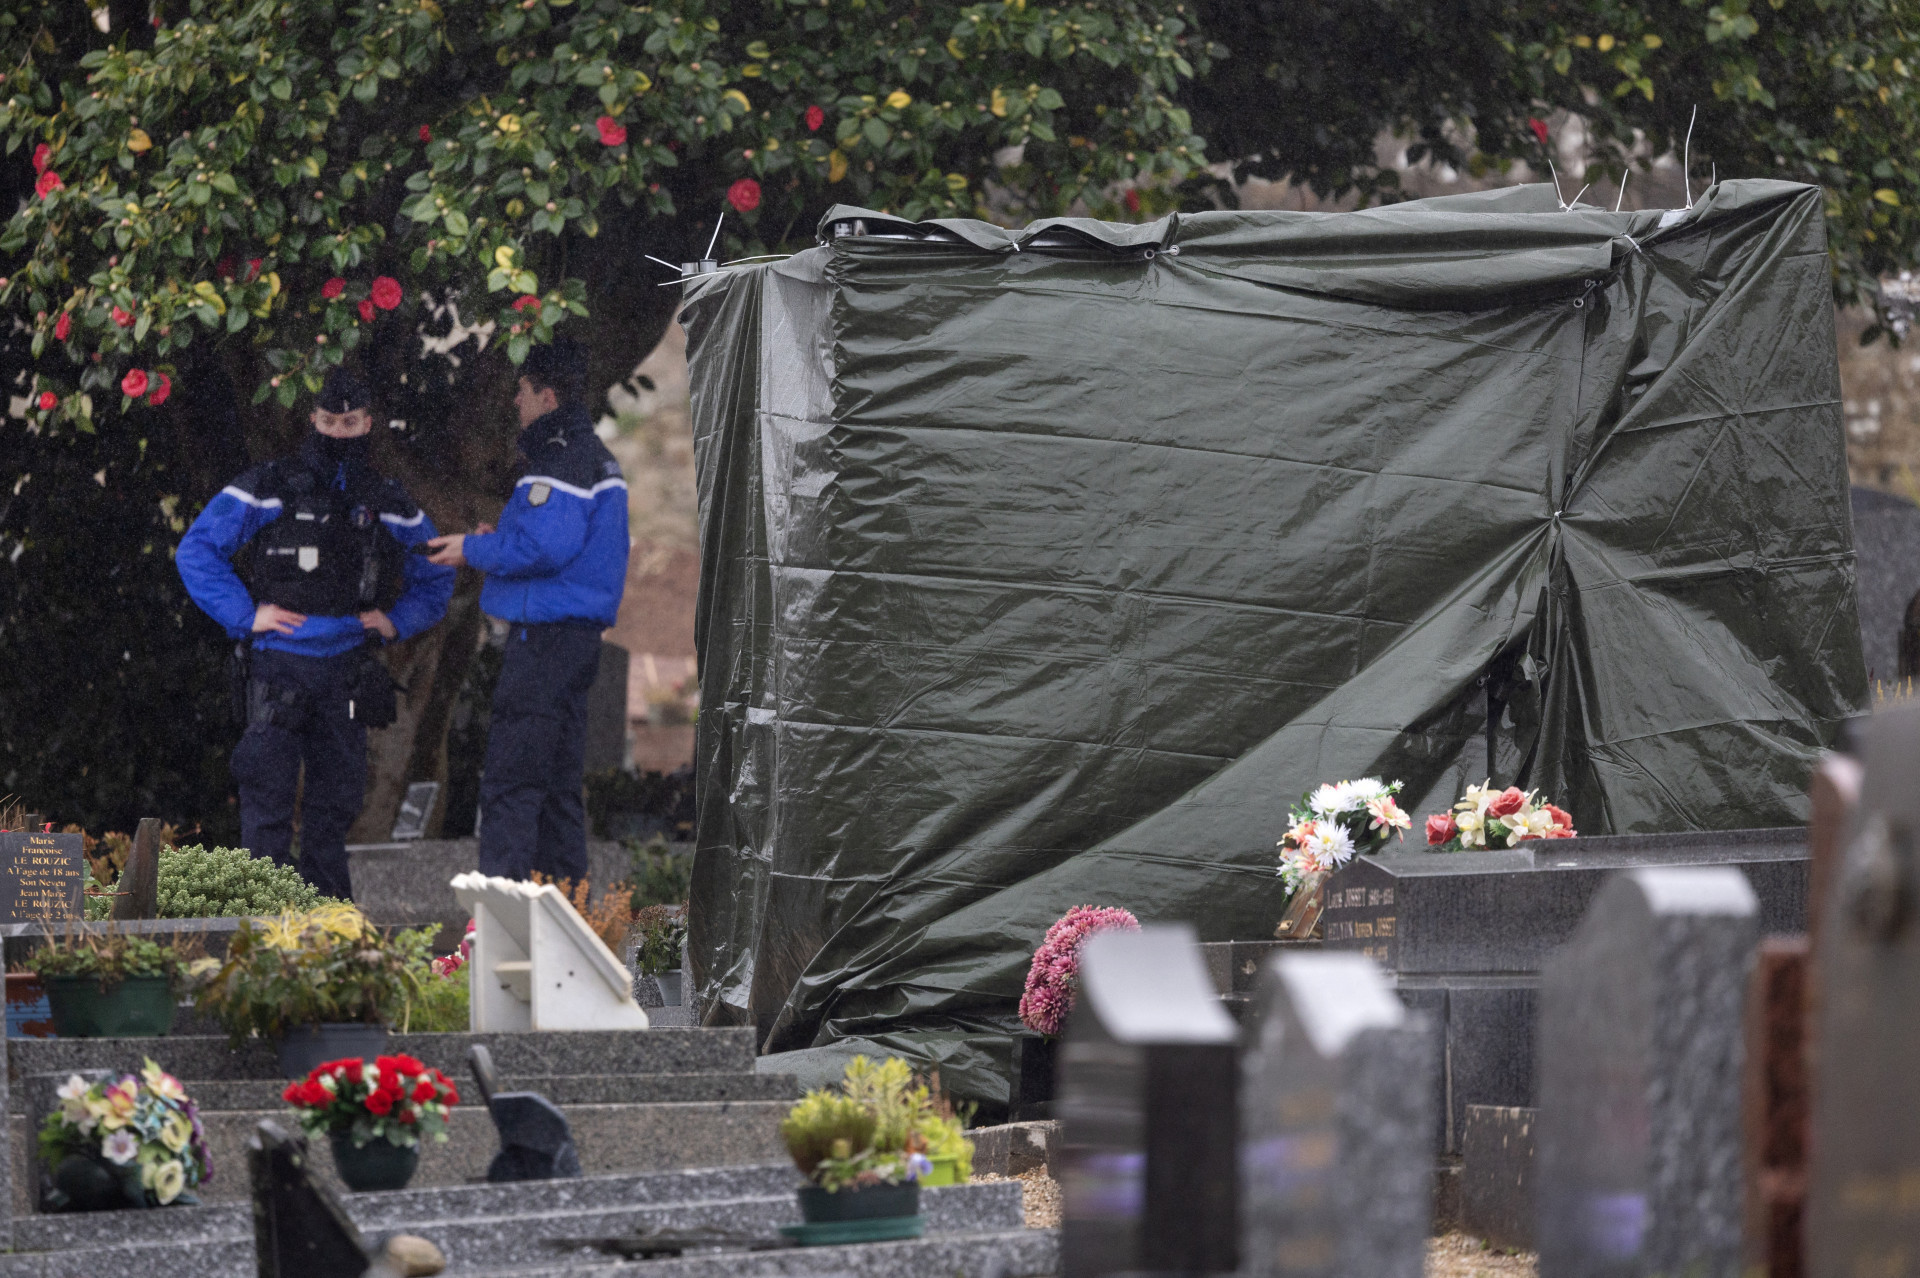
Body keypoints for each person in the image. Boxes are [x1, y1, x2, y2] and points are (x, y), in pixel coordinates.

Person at [177, 368, 454, 899]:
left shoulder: (385, 498)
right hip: (277, 665)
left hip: (346, 669)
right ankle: (265, 926)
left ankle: (327, 929)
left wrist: (398, 621)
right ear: (312, 418)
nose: (337, 432)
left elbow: (436, 568)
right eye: (328, 421)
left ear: (368, 422)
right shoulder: (271, 485)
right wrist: (245, 615)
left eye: (349, 423)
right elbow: (197, 550)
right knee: (267, 804)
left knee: (335, 809)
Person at [426, 339, 628, 883]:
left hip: (543, 642)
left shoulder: (561, 458)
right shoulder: (593, 457)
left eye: (522, 390)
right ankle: (566, 908)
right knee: (558, 788)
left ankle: (500, 912)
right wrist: (501, 538)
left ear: (547, 396)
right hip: (575, 640)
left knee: (511, 780)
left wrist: (472, 548)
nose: (516, 401)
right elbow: (556, 541)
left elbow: (544, 547)